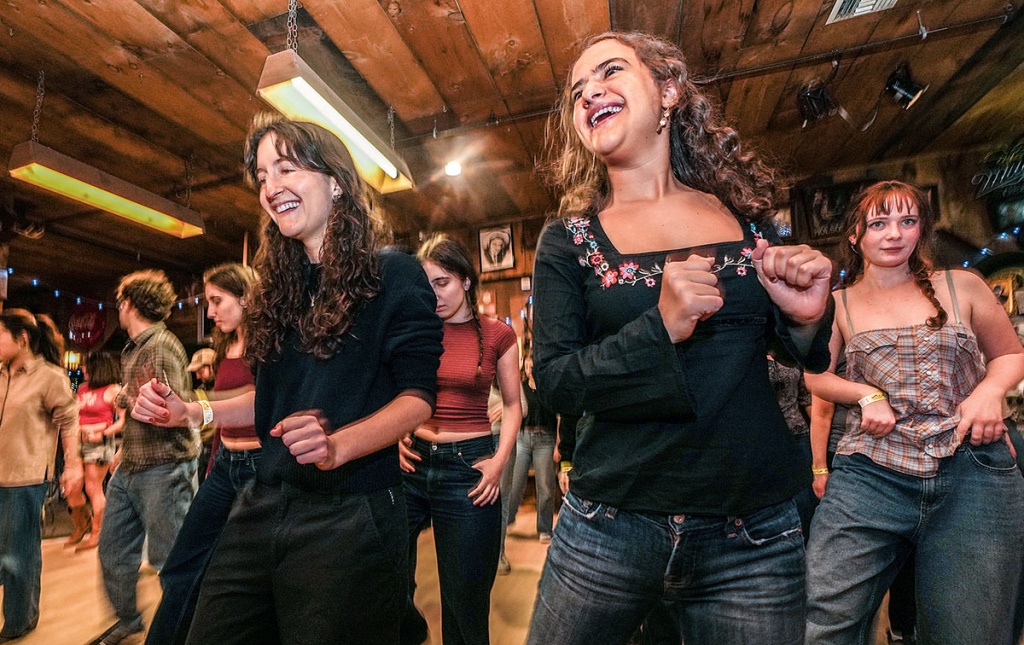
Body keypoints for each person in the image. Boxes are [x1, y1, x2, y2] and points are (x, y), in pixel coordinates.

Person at [527, 31, 833, 644]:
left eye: (610, 72)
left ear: (668, 91)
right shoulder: (567, 241)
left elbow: (794, 358)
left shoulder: (745, 222)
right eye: (577, 91)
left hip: (751, 536)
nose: (589, 94)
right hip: (608, 525)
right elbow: (555, 380)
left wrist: (804, 320)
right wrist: (658, 328)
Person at [132, 115, 443, 644]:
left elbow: (418, 399)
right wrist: (193, 410)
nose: (271, 187)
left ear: (336, 181)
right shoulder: (279, 289)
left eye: (286, 168)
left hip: (353, 510)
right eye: (262, 177)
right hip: (265, 498)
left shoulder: (393, 275)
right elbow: (268, 401)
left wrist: (338, 445)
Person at [803, 180, 1024, 644]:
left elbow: (1009, 354)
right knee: (824, 619)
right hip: (871, 471)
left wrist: (990, 391)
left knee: (970, 631)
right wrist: (867, 395)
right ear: (854, 235)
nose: (894, 234)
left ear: (921, 229)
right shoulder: (838, 303)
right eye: (878, 223)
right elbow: (815, 376)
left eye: (907, 221)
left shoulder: (961, 285)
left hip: (971, 467)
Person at [399, 234, 522, 645]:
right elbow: (401, 394)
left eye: (443, 282)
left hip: (468, 467)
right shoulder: (419, 332)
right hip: (413, 462)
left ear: (466, 280)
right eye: (427, 285)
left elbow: (513, 405)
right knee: (388, 575)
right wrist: (396, 435)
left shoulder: (498, 335)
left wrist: (500, 461)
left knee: (464, 600)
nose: (434, 295)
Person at [144, 263, 259, 645]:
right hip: (226, 464)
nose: (211, 312)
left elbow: (261, 403)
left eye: (217, 300)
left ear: (246, 297)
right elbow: (223, 417)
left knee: (240, 576)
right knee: (181, 566)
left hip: (261, 469)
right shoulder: (226, 347)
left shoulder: (268, 345)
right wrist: (212, 466)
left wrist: (196, 407)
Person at [98, 270, 199, 645]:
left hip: (164, 467)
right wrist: (124, 449)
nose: (118, 309)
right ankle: (128, 621)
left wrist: (120, 396)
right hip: (133, 464)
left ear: (128, 304)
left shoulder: (160, 346)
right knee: (112, 551)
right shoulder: (137, 347)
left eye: (119, 303)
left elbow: (169, 410)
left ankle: (185, 629)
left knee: (169, 559)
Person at [0, 309, 84, 640]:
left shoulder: (49, 377)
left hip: (25, 478)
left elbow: (70, 420)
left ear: (22, 339)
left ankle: (19, 621)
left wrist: (73, 465)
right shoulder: (1, 374)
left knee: (17, 556)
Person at [64, 352, 123, 552]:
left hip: (98, 443)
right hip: (78, 440)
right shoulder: (82, 388)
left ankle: (98, 532)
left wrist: (103, 433)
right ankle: (82, 524)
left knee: (92, 487)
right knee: (71, 486)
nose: (83, 370)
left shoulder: (113, 390)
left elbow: (124, 420)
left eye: (87, 366)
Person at [506, 352, 558, 542]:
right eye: (527, 367)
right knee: (514, 482)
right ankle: (507, 521)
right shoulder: (521, 388)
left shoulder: (548, 389)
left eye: (532, 366)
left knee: (545, 486)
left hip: (545, 439)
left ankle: (544, 529)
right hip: (523, 438)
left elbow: (559, 416)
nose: (530, 370)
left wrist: (559, 443)